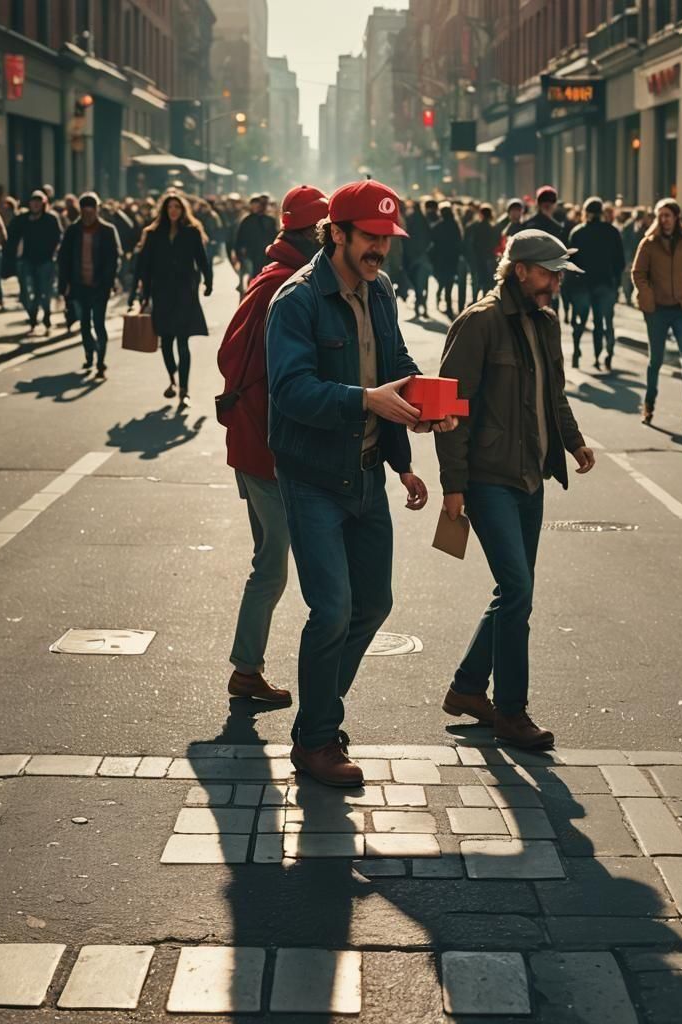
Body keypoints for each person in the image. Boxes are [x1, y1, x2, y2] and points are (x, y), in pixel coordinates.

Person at [265, 179, 455, 787]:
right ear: (337, 234)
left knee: (373, 604)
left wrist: (423, 412)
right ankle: (318, 738)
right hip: (313, 477)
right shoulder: (296, 300)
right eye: (370, 237)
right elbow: (289, 391)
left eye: (387, 238)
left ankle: (315, 724)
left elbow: (395, 365)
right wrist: (364, 400)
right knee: (332, 610)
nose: (381, 249)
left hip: (369, 470)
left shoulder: (383, 290)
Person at [436, 229, 595, 750]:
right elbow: (450, 408)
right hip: (489, 478)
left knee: (513, 591)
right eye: (548, 273)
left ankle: (466, 688)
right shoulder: (479, 322)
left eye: (559, 275)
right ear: (520, 270)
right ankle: (511, 712)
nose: (556, 283)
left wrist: (573, 441)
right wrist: (453, 485)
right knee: (518, 590)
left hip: (531, 476)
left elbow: (554, 394)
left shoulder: (545, 323)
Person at [217, 185, 329, 708]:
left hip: (255, 438)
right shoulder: (285, 284)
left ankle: (247, 668)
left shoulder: (275, 275)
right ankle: (246, 670)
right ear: (311, 234)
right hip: (264, 443)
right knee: (272, 563)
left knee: (269, 557)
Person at [130, 191, 213, 408]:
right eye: (170, 207)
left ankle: (184, 390)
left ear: (182, 210)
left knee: (183, 342)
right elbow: (144, 266)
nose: (173, 210)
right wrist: (139, 294)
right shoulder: (153, 233)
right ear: (164, 210)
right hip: (162, 293)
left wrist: (208, 282)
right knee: (166, 342)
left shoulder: (192, 232)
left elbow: (202, 259)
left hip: (185, 292)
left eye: (177, 207)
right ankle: (172, 379)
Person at [631, 198, 682, 433]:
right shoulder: (648, 243)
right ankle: (649, 404)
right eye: (660, 215)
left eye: (668, 215)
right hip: (658, 310)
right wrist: (647, 297)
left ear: (676, 218)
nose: (664, 220)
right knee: (656, 360)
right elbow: (638, 273)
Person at [57, 192, 121, 379]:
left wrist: (109, 281)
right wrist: (64, 285)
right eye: (84, 212)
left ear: (97, 211)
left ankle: (101, 361)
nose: (88, 216)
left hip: (100, 285)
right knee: (84, 324)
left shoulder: (107, 231)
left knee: (99, 323)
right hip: (79, 285)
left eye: (91, 212)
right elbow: (63, 259)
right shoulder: (73, 231)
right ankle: (89, 353)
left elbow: (114, 259)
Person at [568, 196, 625, 370]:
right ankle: (603, 355)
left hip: (582, 284)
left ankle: (576, 351)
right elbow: (620, 262)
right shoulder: (612, 232)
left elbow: (570, 262)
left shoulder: (577, 232)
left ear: (585, 213)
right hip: (605, 283)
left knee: (580, 321)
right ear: (602, 213)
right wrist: (616, 283)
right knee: (604, 322)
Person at [5, 189, 62, 335]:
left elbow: (58, 237)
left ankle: (46, 318)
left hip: (45, 261)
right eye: (33, 202)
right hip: (27, 261)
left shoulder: (51, 219)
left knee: (44, 292)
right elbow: (11, 234)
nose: (35, 205)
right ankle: (32, 318)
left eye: (38, 202)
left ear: (43, 204)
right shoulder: (23, 219)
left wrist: (52, 252)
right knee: (27, 293)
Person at [234, 194, 276, 293]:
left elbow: (273, 236)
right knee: (253, 274)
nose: (255, 208)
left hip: (265, 253)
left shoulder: (269, 220)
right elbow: (240, 237)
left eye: (257, 206)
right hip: (250, 253)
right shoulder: (247, 220)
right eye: (253, 206)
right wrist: (239, 251)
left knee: (263, 274)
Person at [430, 201, 464, 318]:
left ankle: (439, 296)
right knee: (449, 281)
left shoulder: (437, 226)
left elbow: (433, 242)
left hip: (440, 258)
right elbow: (459, 242)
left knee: (442, 279)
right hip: (452, 258)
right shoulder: (455, 225)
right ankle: (448, 306)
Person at [403, 198, 433, 318]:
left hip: (412, 258)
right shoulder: (424, 220)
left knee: (416, 284)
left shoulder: (410, 219)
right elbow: (429, 238)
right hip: (423, 256)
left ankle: (417, 308)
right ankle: (424, 308)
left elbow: (405, 238)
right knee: (424, 283)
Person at [464, 202, 500, 299]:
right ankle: (485, 299)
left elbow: (472, 243)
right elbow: (496, 243)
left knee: (476, 282)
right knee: (487, 283)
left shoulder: (475, 227)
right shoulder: (493, 228)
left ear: (480, 214)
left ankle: (475, 300)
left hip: (477, 258)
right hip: (489, 258)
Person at [620, 207, 649, 306]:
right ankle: (628, 297)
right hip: (629, 256)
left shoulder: (646, 227)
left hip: (640, 256)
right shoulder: (628, 226)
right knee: (627, 278)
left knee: (638, 277)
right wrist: (627, 259)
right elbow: (624, 242)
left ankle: (636, 298)